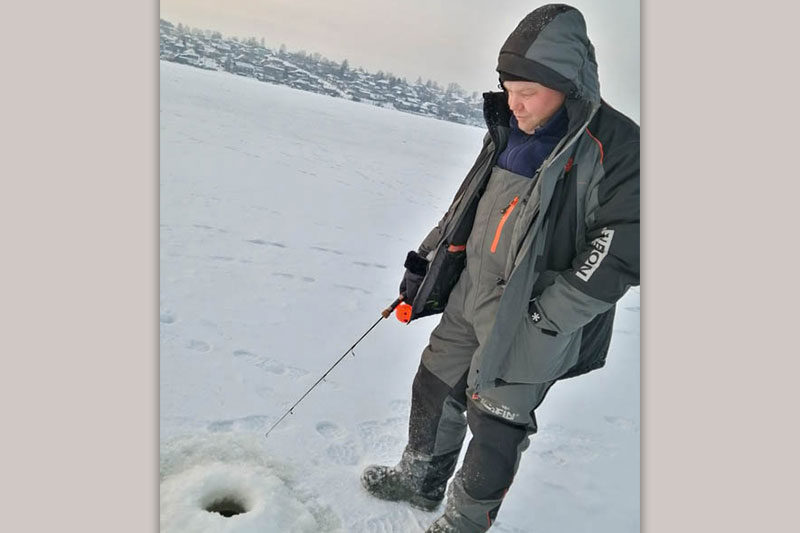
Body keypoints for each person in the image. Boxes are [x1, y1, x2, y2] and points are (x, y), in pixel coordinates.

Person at [361, 4, 639, 532]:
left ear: (570, 84)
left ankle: (463, 525)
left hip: (531, 314)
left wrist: (545, 318)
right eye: (508, 89)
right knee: (434, 384)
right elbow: (468, 204)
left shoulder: (621, 147)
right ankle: (418, 480)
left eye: (528, 92)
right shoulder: (510, 130)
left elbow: (622, 249)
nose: (514, 104)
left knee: (496, 424)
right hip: (471, 294)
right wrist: (428, 262)